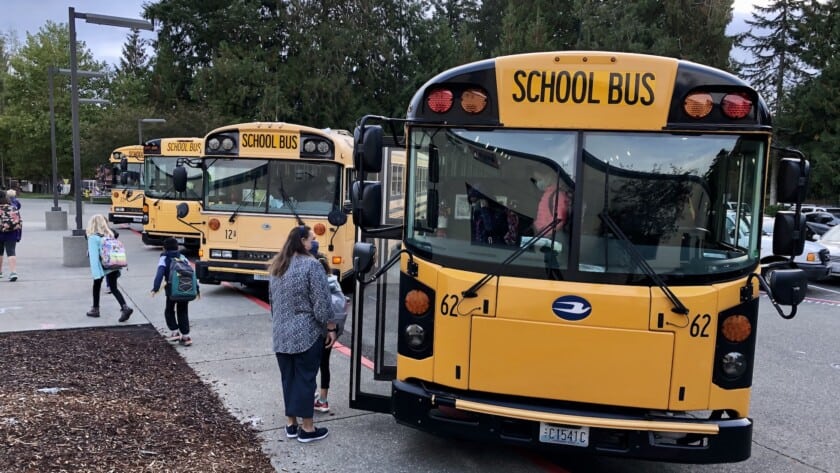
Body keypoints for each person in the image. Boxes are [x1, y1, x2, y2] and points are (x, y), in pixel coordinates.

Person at [268, 225, 337, 443]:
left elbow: (273, 302)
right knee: (306, 379)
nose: (313, 243)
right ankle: (307, 429)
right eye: (311, 239)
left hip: (280, 333)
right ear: (302, 241)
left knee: (288, 379)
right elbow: (322, 303)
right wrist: (330, 328)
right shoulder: (312, 266)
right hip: (305, 333)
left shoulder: (278, 266)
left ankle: (291, 424)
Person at [313, 253, 349, 413]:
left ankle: (310, 395)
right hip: (332, 332)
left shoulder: (318, 285)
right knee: (324, 364)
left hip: (318, 331)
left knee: (311, 365)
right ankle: (323, 400)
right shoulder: (334, 282)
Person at [85, 214, 133, 321]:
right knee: (114, 288)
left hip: (102, 267)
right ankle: (125, 307)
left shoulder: (93, 238)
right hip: (113, 265)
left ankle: (95, 309)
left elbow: (94, 257)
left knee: (96, 287)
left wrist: (96, 274)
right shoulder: (110, 235)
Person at [151, 237, 198, 346]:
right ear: (177, 247)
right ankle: (186, 337)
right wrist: (197, 289)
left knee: (169, 310)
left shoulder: (164, 258)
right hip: (184, 289)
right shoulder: (183, 257)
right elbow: (192, 274)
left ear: (165, 248)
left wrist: (155, 288)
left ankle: (174, 332)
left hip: (171, 290)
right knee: (183, 311)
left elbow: (160, 273)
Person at [531, 167, 571, 234]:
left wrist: (545, 234)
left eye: (540, 179)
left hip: (547, 237)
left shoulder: (558, 196)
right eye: (536, 180)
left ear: (549, 177)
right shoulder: (548, 193)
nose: (538, 183)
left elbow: (559, 221)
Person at [0, 193, 21, 281]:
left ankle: (0, 272)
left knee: (0, 252)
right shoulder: (13, 207)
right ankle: (13, 272)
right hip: (12, 232)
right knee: (11, 251)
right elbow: (19, 220)